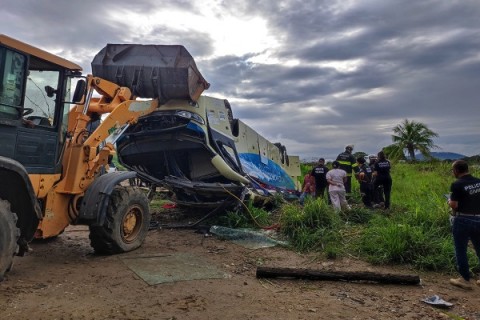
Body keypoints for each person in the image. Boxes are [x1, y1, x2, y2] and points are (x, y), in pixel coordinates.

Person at [447, 160, 480, 290]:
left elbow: (454, 205)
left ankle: (465, 279)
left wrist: (449, 200)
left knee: (461, 250)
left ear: (456, 171)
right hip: (479, 219)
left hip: (462, 220)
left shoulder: (457, 185)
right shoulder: (478, 181)